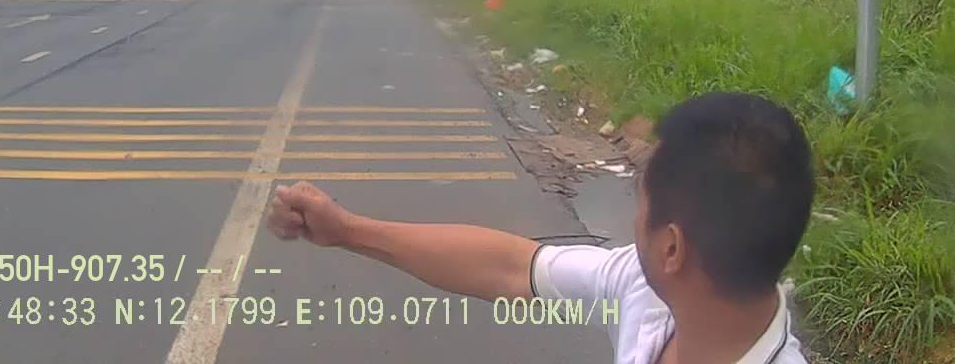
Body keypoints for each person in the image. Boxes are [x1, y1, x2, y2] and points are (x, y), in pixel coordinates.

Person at [266, 92, 814, 364]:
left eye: (641, 204)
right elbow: (513, 267)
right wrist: (347, 229)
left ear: (672, 248)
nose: (634, 222)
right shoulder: (651, 290)